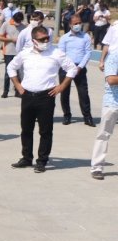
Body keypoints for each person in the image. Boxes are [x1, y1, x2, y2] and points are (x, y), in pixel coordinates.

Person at [7, 26, 78, 172]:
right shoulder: (25, 53)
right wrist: (18, 85)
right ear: (34, 40)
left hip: (46, 96)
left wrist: (61, 86)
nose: (45, 41)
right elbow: (11, 67)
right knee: (26, 129)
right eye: (42, 39)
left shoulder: (56, 53)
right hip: (27, 95)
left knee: (45, 131)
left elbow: (72, 68)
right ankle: (26, 158)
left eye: (47, 38)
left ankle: (42, 161)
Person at [56, 14, 95, 127]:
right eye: (75, 23)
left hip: (80, 68)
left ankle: (87, 117)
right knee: (65, 93)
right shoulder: (64, 38)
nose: (78, 25)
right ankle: (67, 115)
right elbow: (61, 54)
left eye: (79, 23)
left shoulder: (85, 37)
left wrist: (80, 67)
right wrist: (70, 67)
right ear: (70, 25)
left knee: (83, 93)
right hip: (66, 68)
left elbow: (88, 52)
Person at [90, 45, 118, 180]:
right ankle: (97, 167)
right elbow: (111, 79)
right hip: (113, 102)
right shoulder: (114, 56)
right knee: (104, 135)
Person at [0, 11, 25, 98]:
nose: (18, 23)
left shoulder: (23, 27)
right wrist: (11, 40)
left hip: (19, 53)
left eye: (19, 21)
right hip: (9, 52)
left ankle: (18, 91)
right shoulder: (6, 24)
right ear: (13, 19)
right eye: (16, 21)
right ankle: (5, 91)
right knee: (8, 72)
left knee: (19, 72)